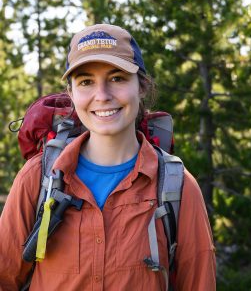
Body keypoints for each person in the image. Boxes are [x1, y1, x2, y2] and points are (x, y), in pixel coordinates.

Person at [0, 24, 216, 290]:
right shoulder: (38, 177)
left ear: (142, 87)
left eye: (117, 78)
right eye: (86, 82)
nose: (102, 96)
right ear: (71, 94)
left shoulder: (176, 187)